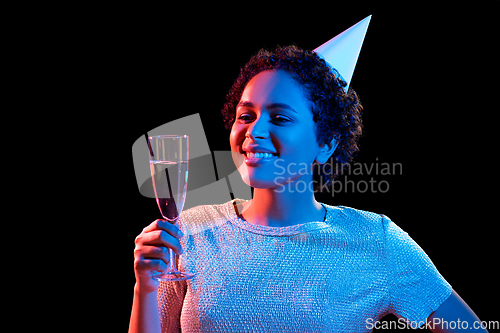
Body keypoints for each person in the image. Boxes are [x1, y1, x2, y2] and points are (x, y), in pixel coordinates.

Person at [129, 46, 486, 332]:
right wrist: (144, 287)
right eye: (245, 115)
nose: (253, 131)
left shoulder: (375, 239)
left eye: (280, 117)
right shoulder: (190, 230)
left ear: (326, 143)